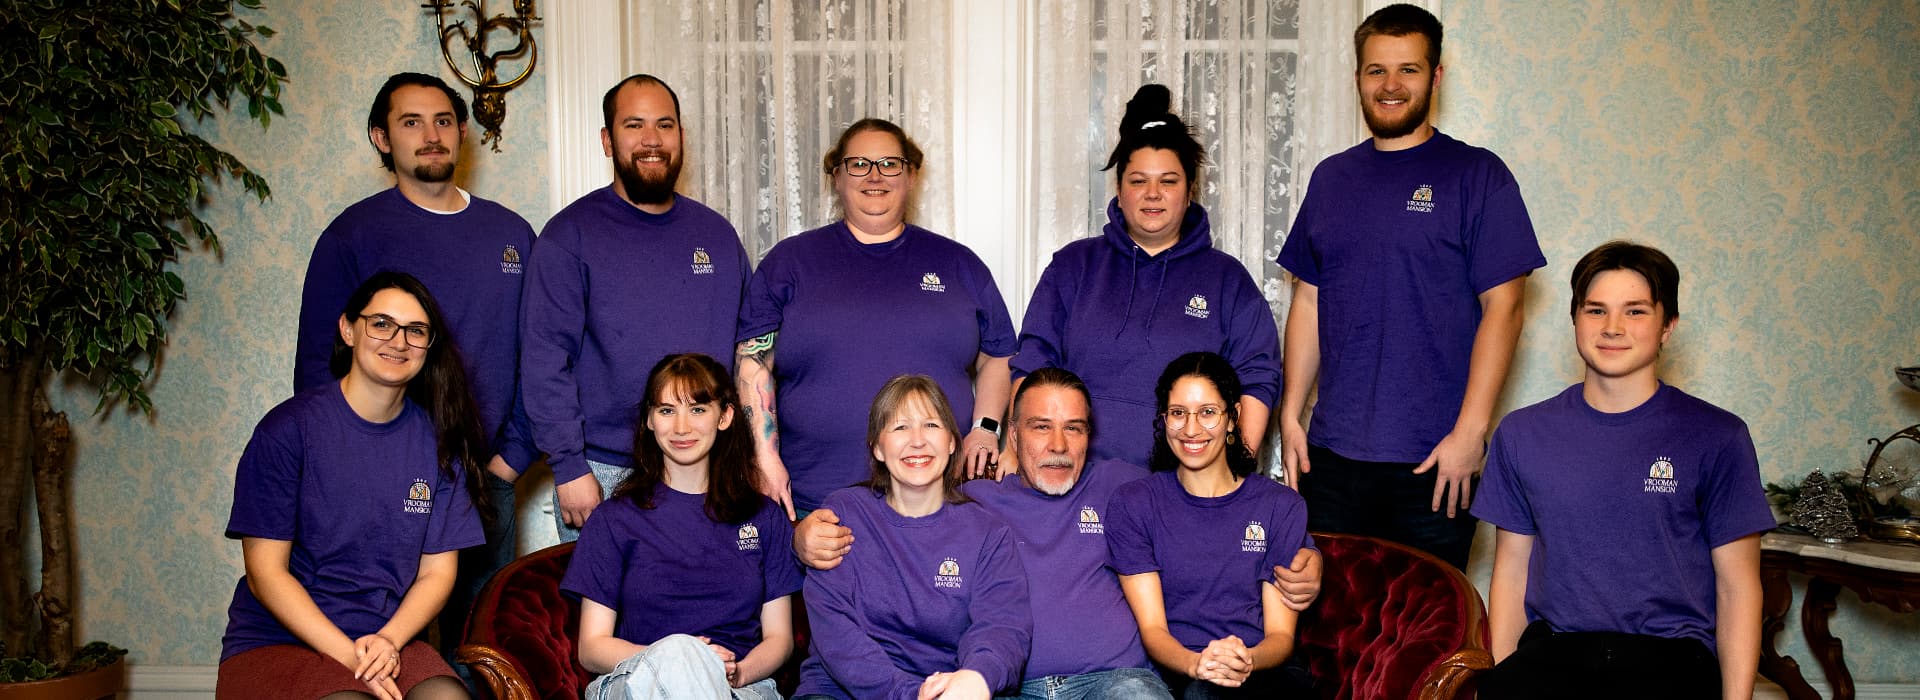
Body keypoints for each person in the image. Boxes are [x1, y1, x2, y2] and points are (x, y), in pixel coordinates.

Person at [796, 367, 1326, 700]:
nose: (1057, 444)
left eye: (1073, 428)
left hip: (1115, 683)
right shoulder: (972, 505)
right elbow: (894, 521)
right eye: (1039, 427)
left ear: (1090, 437)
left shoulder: (1124, 489)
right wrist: (802, 535)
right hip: (1014, 688)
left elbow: (1212, 504)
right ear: (1012, 433)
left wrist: (1307, 550)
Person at [1275, 3, 1546, 570]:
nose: (1391, 85)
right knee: (1332, 636)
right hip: (1330, 457)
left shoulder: (1478, 175)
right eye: (1376, 71)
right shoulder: (1332, 179)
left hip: (1435, 462)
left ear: (1436, 76)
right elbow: (1309, 298)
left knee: (1425, 637)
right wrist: (1290, 415)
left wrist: (1471, 435)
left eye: (1409, 70)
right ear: (1358, 79)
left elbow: (1507, 309)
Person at [291, 70, 538, 675]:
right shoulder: (352, 235)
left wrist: (510, 458)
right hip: (375, 480)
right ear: (381, 138)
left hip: (483, 476)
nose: (432, 135)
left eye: (444, 121)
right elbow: (315, 371)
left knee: (481, 645)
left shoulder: (512, 235)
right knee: (377, 646)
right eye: (411, 122)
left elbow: (543, 353)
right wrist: (351, 467)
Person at [1472, 242, 1771, 699]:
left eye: (1635, 312)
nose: (1612, 328)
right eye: (1596, 310)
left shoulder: (1718, 436)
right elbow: (1512, 572)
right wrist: (1502, 678)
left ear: (1667, 326)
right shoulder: (1521, 434)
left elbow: (1738, 586)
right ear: (1575, 318)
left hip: (1671, 658)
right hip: (1554, 653)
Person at [220, 272, 486, 700]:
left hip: (385, 636)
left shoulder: (438, 443)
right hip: (279, 639)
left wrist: (389, 641)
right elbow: (265, 574)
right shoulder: (287, 431)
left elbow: (437, 573)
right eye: (381, 323)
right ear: (348, 329)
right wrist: (351, 657)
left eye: (415, 331)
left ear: (428, 346)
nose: (398, 341)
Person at [736, 118, 1016, 519]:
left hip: (938, 503)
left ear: (911, 174)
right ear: (836, 175)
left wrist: (986, 428)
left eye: (889, 164)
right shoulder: (791, 262)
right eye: (858, 164)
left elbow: (998, 354)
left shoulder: (958, 264)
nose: (874, 176)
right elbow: (752, 361)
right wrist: (763, 457)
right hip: (817, 500)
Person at [522, 74, 749, 541]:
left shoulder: (717, 237)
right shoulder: (569, 237)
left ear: (681, 137)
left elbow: (749, 356)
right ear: (608, 140)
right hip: (605, 473)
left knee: (711, 610)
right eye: (634, 125)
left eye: (664, 125)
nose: (652, 140)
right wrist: (568, 467)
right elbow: (545, 359)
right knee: (607, 614)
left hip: (710, 467)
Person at [1013, 84, 1280, 467]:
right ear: (1119, 192)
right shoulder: (1073, 267)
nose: (1152, 193)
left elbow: (1257, 376)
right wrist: (1016, 451)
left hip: (1183, 490)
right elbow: (1033, 364)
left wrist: (1237, 469)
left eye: (1168, 181)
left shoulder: (1228, 280)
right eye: (1138, 181)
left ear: (1189, 192)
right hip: (1074, 483)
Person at [561, 354, 799, 700]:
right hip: (635, 681)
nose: (681, 427)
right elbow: (592, 648)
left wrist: (733, 673)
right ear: (649, 420)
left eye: (698, 409)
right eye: (667, 410)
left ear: (726, 416)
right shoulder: (613, 519)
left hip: (740, 688)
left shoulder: (764, 517)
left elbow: (780, 639)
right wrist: (679, 658)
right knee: (679, 655)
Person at [794, 375, 1031, 700]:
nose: (917, 441)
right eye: (900, 427)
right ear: (877, 447)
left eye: (931, 425)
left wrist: (975, 678)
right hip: (838, 692)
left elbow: (1002, 626)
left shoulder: (988, 533)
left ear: (952, 442)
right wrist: (910, 694)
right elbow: (835, 633)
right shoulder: (843, 514)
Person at [1108, 352, 1311, 698]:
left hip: (1264, 670)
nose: (1191, 429)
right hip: (1176, 669)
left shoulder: (1280, 505)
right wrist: (1196, 664)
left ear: (1233, 417)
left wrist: (1243, 659)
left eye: (1207, 412)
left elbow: (1280, 638)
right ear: (1163, 419)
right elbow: (1154, 630)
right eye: (1178, 413)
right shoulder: (1134, 503)